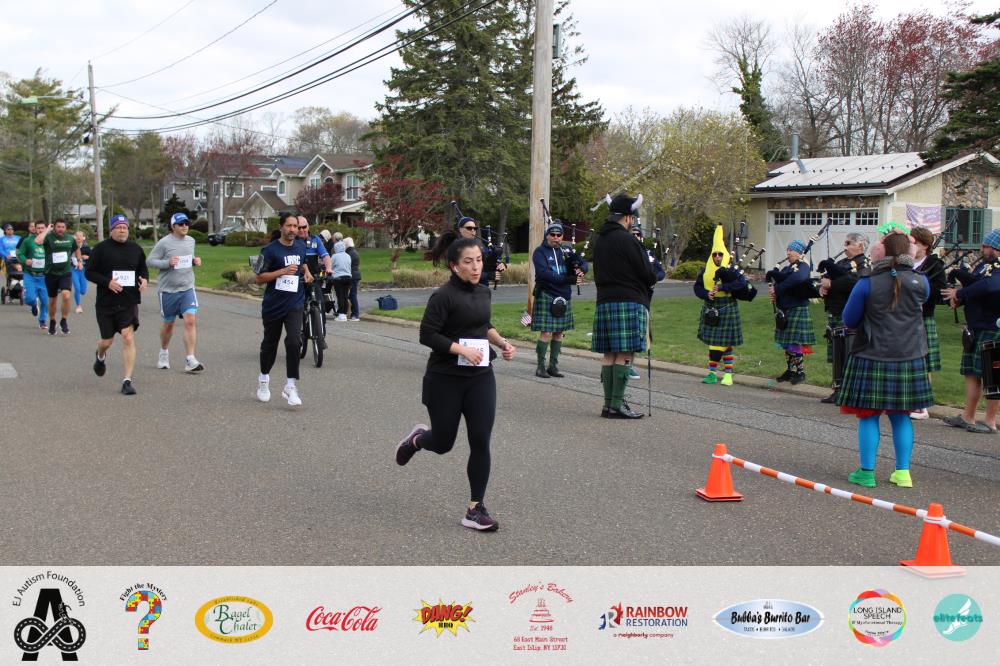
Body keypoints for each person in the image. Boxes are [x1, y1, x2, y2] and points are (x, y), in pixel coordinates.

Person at [395, 235, 516, 531]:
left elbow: (483, 326)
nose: (476, 267)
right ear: (454, 266)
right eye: (468, 262)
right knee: (443, 443)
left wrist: (502, 343)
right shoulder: (443, 296)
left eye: (479, 261)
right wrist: (461, 350)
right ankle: (417, 439)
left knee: (481, 440)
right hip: (445, 379)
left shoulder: (484, 292)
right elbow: (427, 334)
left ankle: (475, 508)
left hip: (480, 376)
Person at [837, 232, 932, 488]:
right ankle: (903, 473)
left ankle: (866, 473)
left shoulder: (867, 283)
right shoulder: (922, 282)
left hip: (872, 355)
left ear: (882, 252)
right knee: (901, 416)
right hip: (909, 356)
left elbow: (849, 319)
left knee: (869, 416)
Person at [591, 193, 657, 419]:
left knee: (609, 353)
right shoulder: (629, 240)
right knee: (625, 352)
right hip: (628, 300)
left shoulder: (599, 240)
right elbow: (647, 274)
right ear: (628, 217)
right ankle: (617, 405)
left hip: (604, 301)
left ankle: (608, 405)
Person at [941, 228, 1000, 434]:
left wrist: (960, 293)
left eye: (986, 246)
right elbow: (978, 286)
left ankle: (990, 421)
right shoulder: (985, 265)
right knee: (972, 373)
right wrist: (960, 296)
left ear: (997, 248)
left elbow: (991, 286)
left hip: (993, 327)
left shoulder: (998, 268)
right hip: (977, 326)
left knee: (993, 376)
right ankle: (968, 416)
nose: (982, 249)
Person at [85, 215, 149, 395]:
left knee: (128, 337)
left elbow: (142, 269)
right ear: (111, 230)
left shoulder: (135, 249)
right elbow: (89, 273)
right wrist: (107, 283)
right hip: (106, 303)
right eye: (119, 227)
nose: (122, 230)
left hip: (128, 301)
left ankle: (127, 381)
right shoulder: (100, 249)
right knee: (107, 341)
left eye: (125, 227)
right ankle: (100, 355)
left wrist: (145, 280)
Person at [255, 213, 313, 406]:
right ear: (281, 227)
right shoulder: (269, 250)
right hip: (273, 305)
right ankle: (264, 379)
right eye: (289, 226)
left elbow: (302, 262)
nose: (293, 230)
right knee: (270, 345)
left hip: (294, 303)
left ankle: (290, 386)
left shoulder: (301, 246)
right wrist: (282, 272)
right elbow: (259, 278)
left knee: (295, 342)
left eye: (295, 226)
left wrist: (306, 272)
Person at [147, 212, 204, 373]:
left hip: (187, 287)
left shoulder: (191, 241)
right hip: (168, 290)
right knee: (169, 324)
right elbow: (150, 261)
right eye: (181, 224)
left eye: (186, 223)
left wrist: (195, 261)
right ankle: (164, 352)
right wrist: (167, 263)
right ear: (173, 227)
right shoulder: (164, 243)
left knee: (190, 320)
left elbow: (188, 259)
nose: (185, 226)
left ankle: (190, 359)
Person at [817, 232, 870, 402]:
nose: (844, 246)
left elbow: (856, 282)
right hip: (834, 310)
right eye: (845, 243)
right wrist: (822, 287)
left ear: (860, 246)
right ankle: (837, 389)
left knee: (847, 353)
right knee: (837, 354)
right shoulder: (842, 263)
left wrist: (832, 284)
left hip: (848, 313)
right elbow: (827, 277)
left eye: (848, 243)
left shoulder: (864, 263)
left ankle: (848, 392)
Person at [531, 220, 587, 378]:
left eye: (558, 235)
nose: (555, 237)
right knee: (546, 333)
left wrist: (581, 269)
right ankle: (540, 367)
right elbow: (544, 273)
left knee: (559, 332)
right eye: (552, 234)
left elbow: (583, 262)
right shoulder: (540, 252)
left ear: (562, 236)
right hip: (547, 294)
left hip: (564, 295)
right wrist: (567, 279)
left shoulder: (566, 250)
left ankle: (553, 367)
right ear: (547, 235)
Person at [693, 224, 747, 386]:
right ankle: (712, 373)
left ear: (724, 255)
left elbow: (741, 284)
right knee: (713, 343)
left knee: (726, 342)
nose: (717, 257)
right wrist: (706, 294)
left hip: (727, 306)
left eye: (720, 254)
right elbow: (697, 287)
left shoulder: (732, 270)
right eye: (714, 254)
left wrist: (723, 287)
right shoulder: (705, 271)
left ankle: (728, 374)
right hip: (710, 307)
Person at [909, 226, 946, 419]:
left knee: (923, 362)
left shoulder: (934, 264)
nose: (910, 245)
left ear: (924, 245)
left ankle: (922, 405)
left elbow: (940, 292)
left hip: (923, 317)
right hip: (903, 317)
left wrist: (920, 288)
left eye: (913, 242)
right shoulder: (905, 262)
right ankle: (906, 401)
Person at [767, 240, 816, 384]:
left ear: (799, 252)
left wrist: (778, 288)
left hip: (797, 308)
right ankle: (790, 370)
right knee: (787, 344)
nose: (788, 253)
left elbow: (798, 278)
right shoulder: (787, 268)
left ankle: (800, 372)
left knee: (795, 344)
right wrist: (774, 292)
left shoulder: (803, 267)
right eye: (787, 250)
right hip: (786, 309)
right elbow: (780, 284)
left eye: (791, 250)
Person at [36, 219, 82, 335]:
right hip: (51, 273)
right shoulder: (48, 237)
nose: (60, 229)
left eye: (62, 227)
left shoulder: (70, 238)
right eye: (58, 227)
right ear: (54, 227)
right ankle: (52, 321)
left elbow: (76, 249)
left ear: (65, 228)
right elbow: (38, 241)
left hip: (65, 273)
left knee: (66, 296)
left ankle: (64, 320)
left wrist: (79, 261)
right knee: (52, 300)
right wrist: (47, 229)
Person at [16, 221, 49, 331]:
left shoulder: (49, 241)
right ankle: (34, 304)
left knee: (45, 301)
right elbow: (19, 253)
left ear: (45, 229)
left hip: (44, 276)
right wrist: (25, 260)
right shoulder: (28, 241)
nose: (40, 230)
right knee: (29, 299)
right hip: (30, 275)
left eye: (42, 228)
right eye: (38, 228)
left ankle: (42, 320)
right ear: (35, 229)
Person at [455, 216, 506, 286]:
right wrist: (487, 275)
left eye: (475, 228)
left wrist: (499, 264)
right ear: (460, 229)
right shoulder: (456, 247)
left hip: (482, 288)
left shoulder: (479, 245)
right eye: (469, 228)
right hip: (464, 289)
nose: (473, 230)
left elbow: (486, 263)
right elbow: (463, 272)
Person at [330, 241, 352, 321]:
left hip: (338, 278)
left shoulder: (334, 256)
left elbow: (330, 266)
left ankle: (341, 314)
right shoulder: (348, 256)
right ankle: (345, 314)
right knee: (345, 296)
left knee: (340, 296)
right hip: (348, 277)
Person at [71, 230, 91, 314]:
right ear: (74, 237)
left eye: (80, 236)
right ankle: (78, 306)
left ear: (84, 238)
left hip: (83, 271)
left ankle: (80, 294)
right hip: (73, 270)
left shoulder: (86, 248)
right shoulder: (71, 247)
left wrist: (88, 257)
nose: (78, 237)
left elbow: (93, 258)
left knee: (83, 291)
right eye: (77, 235)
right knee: (77, 288)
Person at [343, 236, 362, 321]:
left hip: (352, 276)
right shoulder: (354, 252)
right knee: (352, 295)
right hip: (356, 275)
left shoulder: (349, 254)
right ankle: (354, 314)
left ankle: (355, 314)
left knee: (352, 295)